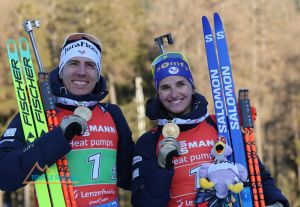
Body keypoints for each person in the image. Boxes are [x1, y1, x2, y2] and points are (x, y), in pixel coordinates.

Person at [131, 52, 290, 207]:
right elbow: (141, 202)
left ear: (192, 88)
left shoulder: (221, 126)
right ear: (158, 94)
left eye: (181, 84)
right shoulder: (149, 142)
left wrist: (276, 201)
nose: (174, 94)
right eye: (165, 87)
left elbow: (258, 174)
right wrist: (161, 167)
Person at [0, 33, 134, 206]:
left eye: (90, 65)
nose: (81, 72)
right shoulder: (37, 115)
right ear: (61, 71)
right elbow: (5, 177)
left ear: (98, 74)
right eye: (73, 63)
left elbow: (129, 179)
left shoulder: (112, 114)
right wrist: (58, 137)